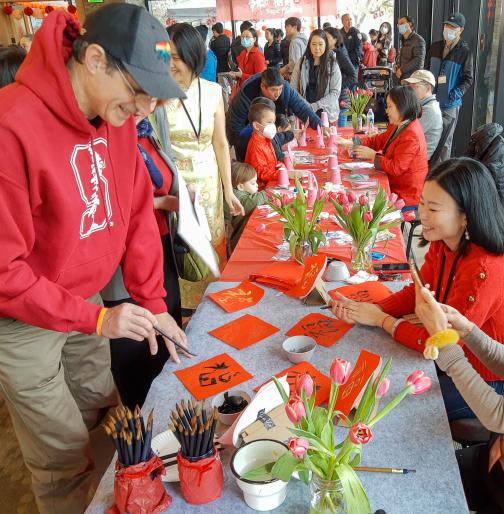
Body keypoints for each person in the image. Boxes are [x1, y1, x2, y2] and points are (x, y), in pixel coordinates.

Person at [0, 5, 189, 513]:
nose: (145, 107)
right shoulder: (11, 124)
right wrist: (99, 317)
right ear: (96, 59)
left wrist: (155, 304)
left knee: (107, 420)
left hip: (85, 305)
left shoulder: (117, 119)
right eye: (138, 91)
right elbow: (4, 272)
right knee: (60, 455)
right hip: (23, 318)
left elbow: (135, 217)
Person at [331, 157, 504, 422]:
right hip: (454, 360)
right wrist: (369, 310)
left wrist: (382, 320)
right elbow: (420, 291)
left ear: (465, 217)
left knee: (391, 407)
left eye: (433, 209)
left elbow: (440, 341)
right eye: (422, 202)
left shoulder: (484, 270)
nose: (423, 215)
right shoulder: (444, 241)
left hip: (484, 379)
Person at [103, 100, 183, 410]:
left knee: (164, 325)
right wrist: (161, 205)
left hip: (158, 241)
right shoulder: (109, 133)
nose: (150, 105)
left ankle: (166, 403)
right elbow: (117, 204)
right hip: (121, 258)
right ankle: (143, 412)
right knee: (135, 340)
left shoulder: (145, 131)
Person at [165, 23, 243, 310]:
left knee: (212, 246)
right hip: (176, 184)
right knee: (183, 249)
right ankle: (184, 313)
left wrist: (228, 190)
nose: (170, 64)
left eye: (176, 57)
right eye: (166, 55)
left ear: (193, 56)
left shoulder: (211, 92)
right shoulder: (156, 96)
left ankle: (211, 310)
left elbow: (221, 143)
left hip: (208, 182)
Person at [415, 286, 504, 514]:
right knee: (425, 480)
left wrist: (445, 343)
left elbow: (497, 415)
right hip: (492, 458)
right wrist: (468, 330)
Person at [338, 85, 428, 206]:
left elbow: (396, 168)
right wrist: (352, 142)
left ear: (402, 107)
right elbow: (378, 141)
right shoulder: (398, 123)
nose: (386, 111)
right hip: (395, 183)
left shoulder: (412, 135)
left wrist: (373, 155)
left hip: (405, 192)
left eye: (390, 106)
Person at [226, 67, 324, 161]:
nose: (277, 93)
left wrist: (320, 125)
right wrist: (244, 147)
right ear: (263, 87)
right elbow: (236, 125)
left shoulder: (285, 88)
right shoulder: (247, 92)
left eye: (280, 89)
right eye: (273, 90)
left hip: (268, 129)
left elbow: (302, 107)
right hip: (244, 129)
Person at [427, 12, 474, 160]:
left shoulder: (464, 52)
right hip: (431, 101)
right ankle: (429, 172)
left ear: (460, 30)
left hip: (450, 105)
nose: (448, 29)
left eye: (453, 27)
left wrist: (454, 94)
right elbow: (426, 70)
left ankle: (442, 177)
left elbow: (468, 79)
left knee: (445, 142)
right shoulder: (435, 47)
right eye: (447, 25)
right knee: (429, 137)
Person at [290, 29, 342, 123]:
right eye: (313, 44)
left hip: (327, 115)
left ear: (326, 44)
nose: (317, 48)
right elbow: (293, 88)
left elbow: (335, 92)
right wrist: (305, 105)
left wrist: (316, 105)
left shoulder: (332, 64)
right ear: (309, 45)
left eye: (320, 44)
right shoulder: (301, 63)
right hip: (305, 114)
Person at [224, 161, 268, 252]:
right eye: (252, 183)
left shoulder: (237, 192)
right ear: (240, 187)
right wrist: (267, 194)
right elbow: (252, 202)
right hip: (235, 237)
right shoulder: (237, 197)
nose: (257, 185)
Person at [403, 70, 443, 160]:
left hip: (416, 159)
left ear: (428, 88)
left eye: (415, 87)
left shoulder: (430, 110)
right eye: (410, 87)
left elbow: (406, 135)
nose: (410, 91)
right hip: (410, 153)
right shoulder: (422, 105)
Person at [244, 98, 281, 185]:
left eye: (273, 122)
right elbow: (261, 173)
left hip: (269, 182)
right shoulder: (256, 145)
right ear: (256, 126)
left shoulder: (266, 139)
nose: (273, 125)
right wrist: (283, 174)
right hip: (260, 188)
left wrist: (279, 165)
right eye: (269, 122)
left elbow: (270, 164)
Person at [324, 26, 357, 104]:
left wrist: (337, 86)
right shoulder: (331, 52)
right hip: (334, 97)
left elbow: (353, 76)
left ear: (335, 39)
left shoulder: (340, 54)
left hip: (341, 99)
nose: (324, 40)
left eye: (326, 37)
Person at [395, 15, 425, 82]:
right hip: (402, 78)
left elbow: (418, 60)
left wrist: (401, 70)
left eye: (401, 23)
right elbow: (402, 56)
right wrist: (396, 64)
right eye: (398, 24)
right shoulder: (402, 39)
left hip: (413, 79)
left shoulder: (418, 40)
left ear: (410, 24)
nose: (399, 26)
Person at [210, 22, 232, 108]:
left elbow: (212, 57)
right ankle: (234, 105)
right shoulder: (228, 39)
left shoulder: (214, 43)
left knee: (224, 90)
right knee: (234, 88)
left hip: (220, 70)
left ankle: (226, 109)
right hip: (230, 69)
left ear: (215, 31)